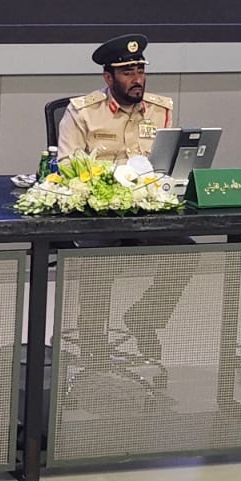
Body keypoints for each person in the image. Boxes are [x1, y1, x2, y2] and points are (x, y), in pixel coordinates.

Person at [57, 34, 191, 363]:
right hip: (100, 213)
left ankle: (145, 317)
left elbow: (169, 162)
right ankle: (92, 343)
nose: (137, 80)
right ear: (109, 77)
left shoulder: (160, 110)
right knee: (99, 260)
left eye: (140, 71)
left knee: (187, 252)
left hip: (147, 211)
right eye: (128, 73)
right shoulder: (82, 112)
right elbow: (67, 166)